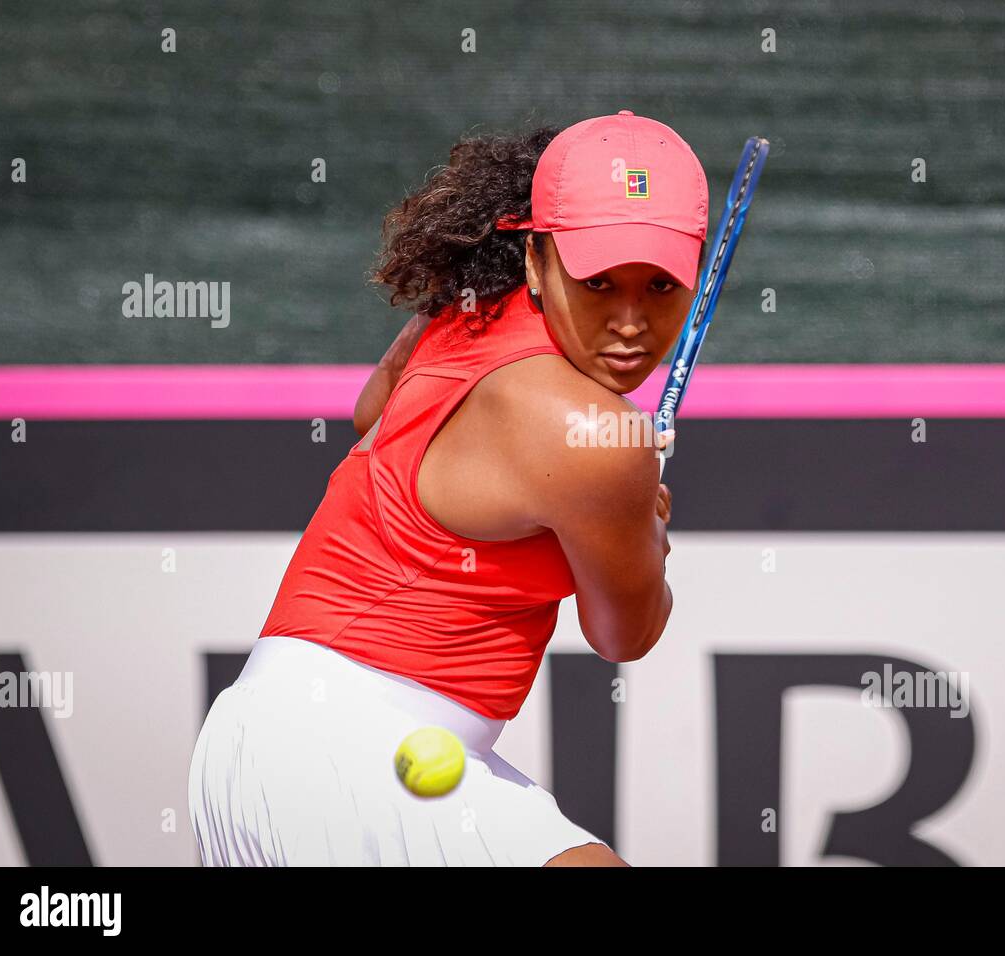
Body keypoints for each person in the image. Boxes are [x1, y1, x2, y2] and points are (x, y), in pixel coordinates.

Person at [188, 110, 709, 866]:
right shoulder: (596, 440)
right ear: (535, 260)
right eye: (598, 283)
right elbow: (623, 635)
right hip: (353, 761)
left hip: (251, 745)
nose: (630, 323)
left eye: (660, 285)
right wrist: (649, 528)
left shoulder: (464, 312)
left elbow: (374, 411)